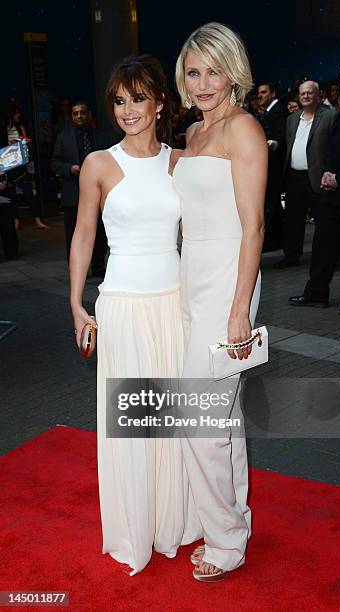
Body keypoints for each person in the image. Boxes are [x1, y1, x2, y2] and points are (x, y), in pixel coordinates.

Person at [69, 54, 200, 575]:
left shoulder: (180, 161)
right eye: (119, 101)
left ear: (160, 101)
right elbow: (83, 236)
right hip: (121, 306)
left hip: (174, 305)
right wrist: (76, 305)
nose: (127, 110)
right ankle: (135, 528)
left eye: (138, 98)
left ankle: (175, 520)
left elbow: (195, 238)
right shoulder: (100, 164)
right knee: (133, 423)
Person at [173, 22, 267, 581]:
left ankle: (225, 541)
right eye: (193, 71)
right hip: (193, 279)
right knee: (220, 418)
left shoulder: (244, 130)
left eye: (214, 70)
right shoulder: (191, 135)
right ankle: (235, 521)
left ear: (234, 72)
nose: (204, 82)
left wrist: (239, 310)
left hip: (228, 283)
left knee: (197, 417)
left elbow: (253, 228)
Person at [289, 57, 340, 315]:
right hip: (334, 192)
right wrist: (328, 172)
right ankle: (316, 292)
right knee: (323, 243)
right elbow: (334, 146)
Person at [275, 80, 335, 268]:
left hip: (317, 177)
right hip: (294, 177)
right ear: (299, 97)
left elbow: (335, 148)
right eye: (303, 94)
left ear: (318, 95)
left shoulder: (330, 116)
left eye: (310, 93)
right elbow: (287, 145)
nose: (306, 96)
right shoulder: (291, 119)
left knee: (323, 220)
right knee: (293, 219)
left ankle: (326, 257)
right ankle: (291, 256)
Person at [52, 100, 110, 277]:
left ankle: (98, 265)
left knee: (100, 232)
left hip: (98, 194)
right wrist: (69, 169)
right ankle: (77, 269)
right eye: (75, 113)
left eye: (82, 112)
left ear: (89, 115)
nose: (79, 116)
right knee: (74, 234)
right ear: (71, 117)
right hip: (73, 194)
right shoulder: (63, 137)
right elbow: (55, 162)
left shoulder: (101, 137)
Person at [257, 82, 288, 251]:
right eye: (259, 93)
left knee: (272, 202)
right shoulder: (270, 111)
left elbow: (280, 138)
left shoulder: (278, 111)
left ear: (273, 93)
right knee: (271, 202)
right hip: (269, 164)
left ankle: (274, 240)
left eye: (264, 92)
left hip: (275, 165)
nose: (260, 95)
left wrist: (271, 143)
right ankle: (275, 239)